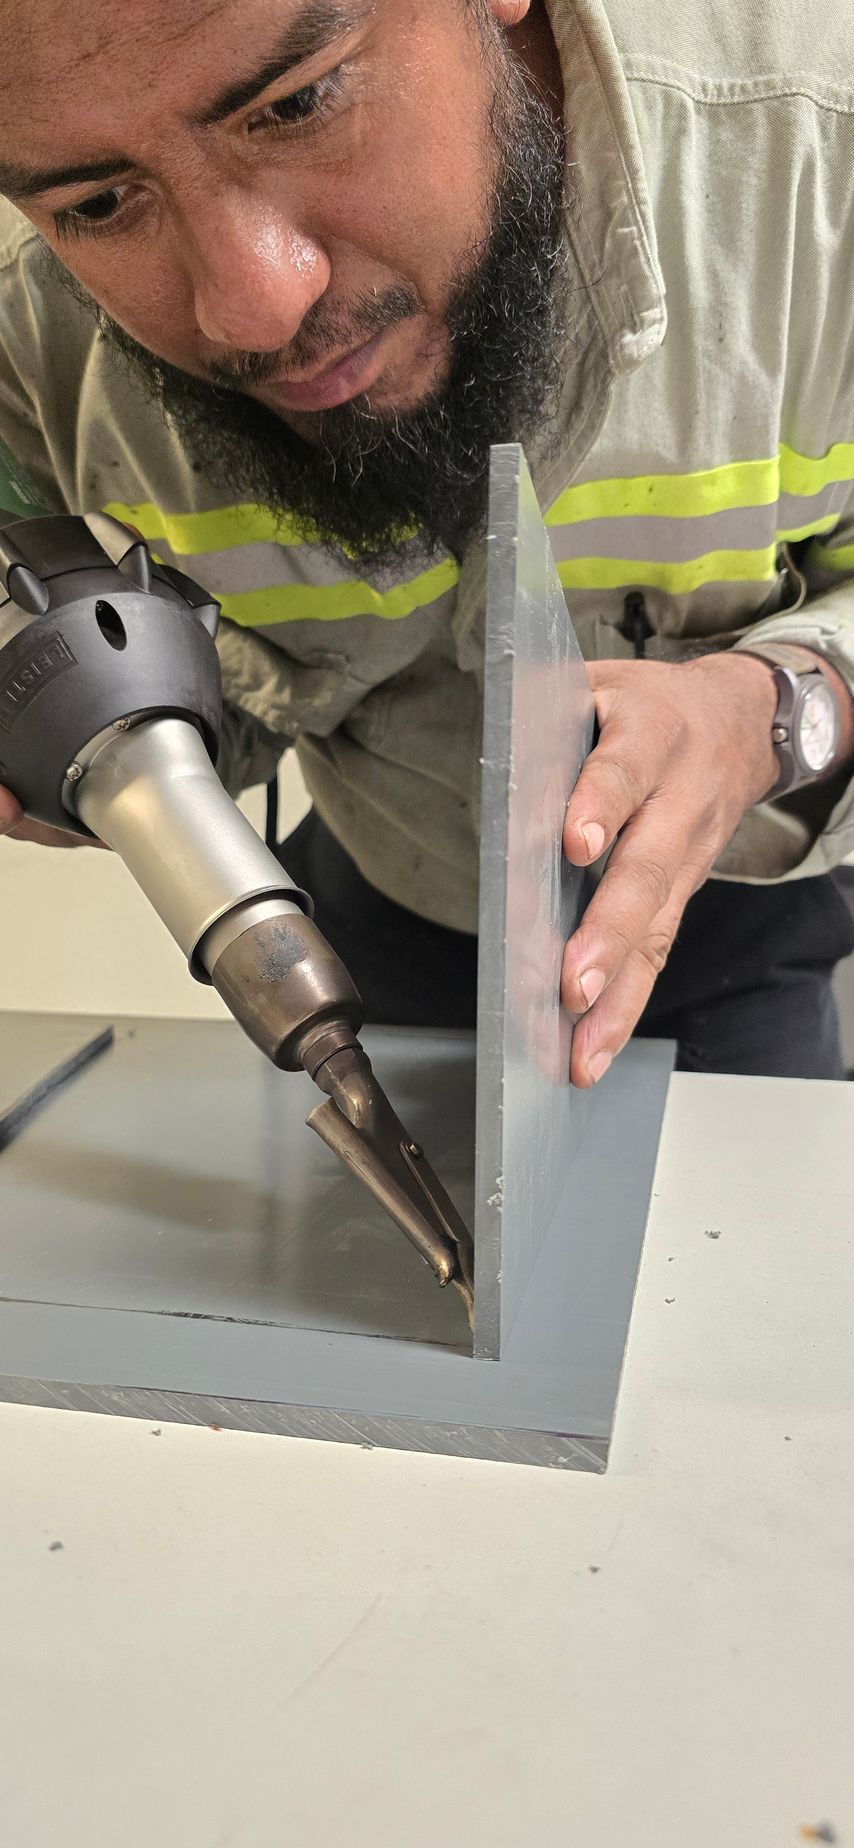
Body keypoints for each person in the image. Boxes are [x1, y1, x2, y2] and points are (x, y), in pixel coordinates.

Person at [0, 0, 853, 1081]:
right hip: (370, 908)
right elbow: (163, 676)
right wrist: (106, 749)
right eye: (101, 202)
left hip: (742, 933)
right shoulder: (36, 334)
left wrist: (778, 711)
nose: (255, 308)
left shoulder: (824, 157)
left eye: (297, 103)